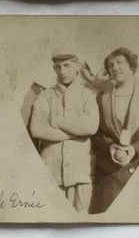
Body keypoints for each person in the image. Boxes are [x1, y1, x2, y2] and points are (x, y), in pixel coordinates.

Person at [90, 47, 139, 215]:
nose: (115, 67)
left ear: (131, 65)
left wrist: (135, 149)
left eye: (119, 62)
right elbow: (95, 133)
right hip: (110, 177)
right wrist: (110, 146)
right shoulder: (101, 97)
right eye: (110, 65)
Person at [29, 50, 99, 213]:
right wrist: (75, 132)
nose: (62, 71)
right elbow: (37, 130)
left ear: (78, 66)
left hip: (81, 173)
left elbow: (90, 126)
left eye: (67, 65)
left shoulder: (87, 95)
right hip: (52, 172)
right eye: (58, 67)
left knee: (80, 222)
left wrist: (57, 120)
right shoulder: (46, 96)